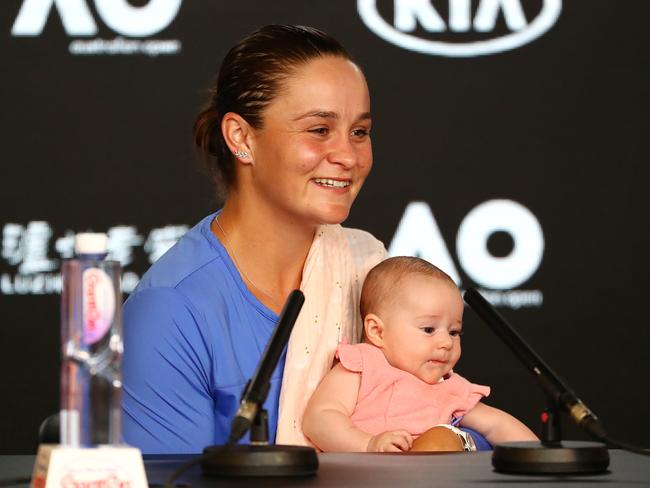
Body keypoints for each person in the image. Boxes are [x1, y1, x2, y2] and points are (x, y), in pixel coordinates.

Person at [121, 25, 386, 454]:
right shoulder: (170, 310)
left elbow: (434, 423)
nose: (348, 156)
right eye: (319, 130)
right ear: (241, 138)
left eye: (360, 132)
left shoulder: (371, 274)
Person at [302, 256, 538, 452]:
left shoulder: (450, 387)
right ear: (377, 331)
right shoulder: (363, 366)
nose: (446, 342)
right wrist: (367, 443)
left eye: (455, 332)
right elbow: (320, 417)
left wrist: (541, 458)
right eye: (428, 329)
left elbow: (497, 425)